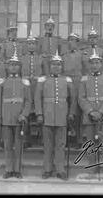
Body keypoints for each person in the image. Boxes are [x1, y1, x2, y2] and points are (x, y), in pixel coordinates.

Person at [35, 50, 76, 180]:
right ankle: (47, 169)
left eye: (58, 64)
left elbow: (73, 99)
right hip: (47, 116)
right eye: (53, 64)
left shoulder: (67, 80)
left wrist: (71, 113)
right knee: (47, 145)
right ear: (50, 66)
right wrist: (39, 114)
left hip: (62, 117)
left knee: (60, 144)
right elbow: (37, 98)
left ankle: (60, 169)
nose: (56, 67)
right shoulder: (43, 80)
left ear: (61, 66)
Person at [0, 51, 31, 179]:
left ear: (20, 67)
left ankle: (17, 169)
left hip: (19, 118)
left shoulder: (25, 82)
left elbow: (28, 101)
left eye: (16, 65)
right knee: (8, 145)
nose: (14, 67)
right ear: (7, 67)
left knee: (19, 145)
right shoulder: (2, 82)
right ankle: (8, 169)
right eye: (11, 65)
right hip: (6, 117)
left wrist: (24, 115)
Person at [78, 48, 103, 174]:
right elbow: (81, 98)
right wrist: (90, 111)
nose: (94, 65)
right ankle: (92, 168)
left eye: (97, 63)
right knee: (90, 143)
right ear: (89, 65)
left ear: (101, 64)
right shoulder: (84, 79)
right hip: (89, 117)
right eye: (92, 63)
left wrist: (101, 112)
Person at [21, 30, 45, 147]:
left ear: (36, 46)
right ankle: (26, 138)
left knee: (40, 110)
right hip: (26, 88)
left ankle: (41, 136)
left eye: (33, 44)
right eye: (29, 44)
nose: (31, 46)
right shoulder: (22, 58)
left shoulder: (41, 58)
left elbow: (45, 74)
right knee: (26, 112)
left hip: (37, 87)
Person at [62, 33, 85, 148]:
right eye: (70, 40)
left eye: (74, 40)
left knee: (78, 112)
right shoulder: (63, 56)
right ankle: (65, 138)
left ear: (77, 42)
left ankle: (79, 138)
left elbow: (85, 70)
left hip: (78, 83)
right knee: (65, 109)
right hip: (66, 84)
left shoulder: (82, 55)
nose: (72, 42)